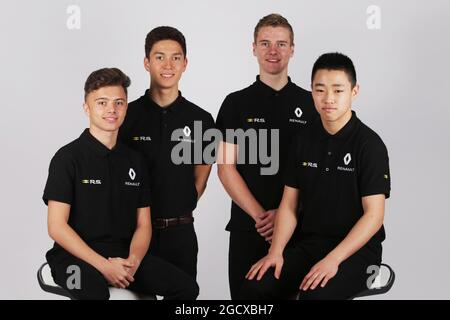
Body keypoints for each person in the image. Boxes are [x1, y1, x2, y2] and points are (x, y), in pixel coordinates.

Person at [241, 52, 391, 300]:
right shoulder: (303, 140)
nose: (328, 98)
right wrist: (276, 252)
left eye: (338, 90)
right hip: (310, 244)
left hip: (358, 251)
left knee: (313, 296)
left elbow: (374, 216)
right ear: (311, 91)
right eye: (320, 90)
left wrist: (333, 260)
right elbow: (289, 205)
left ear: (354, 92)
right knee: (255, 287)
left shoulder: (369, 145)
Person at [43, 68, 199, 300]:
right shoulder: (68, 158)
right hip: (72, 259)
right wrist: (103, 266)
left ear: (126, 107)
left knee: (186, 288)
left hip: (123, 256)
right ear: (86, 108)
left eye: (119, 103)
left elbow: (143, 225)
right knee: (94, 290)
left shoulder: (135, 160)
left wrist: (133, 262)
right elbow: (56, 227)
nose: (111, 110)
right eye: (102, 102)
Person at [215, 13, 318, 299]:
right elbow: (226, 168)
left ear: (293, 49)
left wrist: (287, 216)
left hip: (300, 231)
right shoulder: (235, 103)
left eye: (281, 44)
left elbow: (319, 172)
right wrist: (262, 217)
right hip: (248, 229)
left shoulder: (311, 104)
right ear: (254, 48)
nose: (273, 51)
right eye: (265, 43)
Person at [119, 26, 215, 282]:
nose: (168, 64)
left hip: (181, 233)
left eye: (176, 57)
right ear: (146, 62)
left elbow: (202, 176)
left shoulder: (202, 119)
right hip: (133, 235)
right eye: (160, 57)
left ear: (185, 63)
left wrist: (183, 201)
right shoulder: (127, 116)